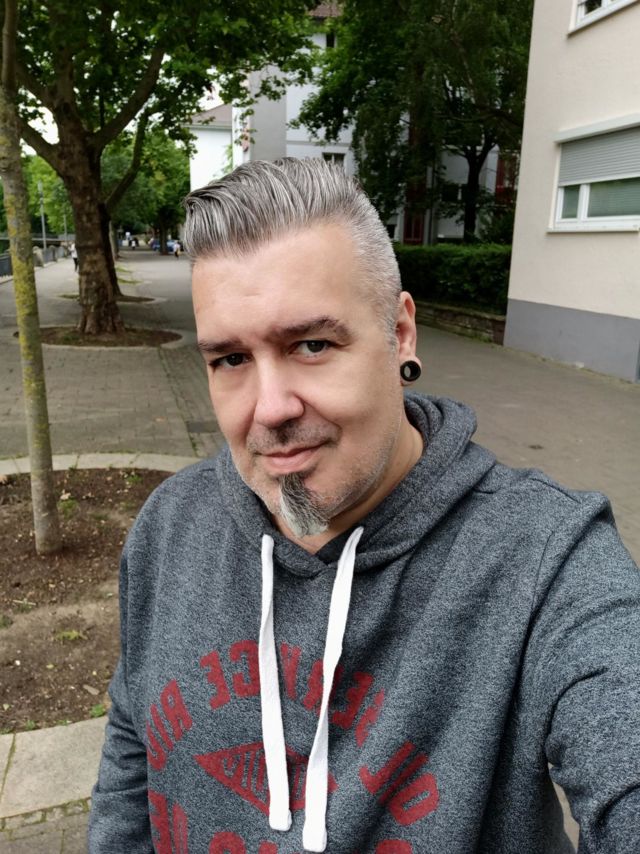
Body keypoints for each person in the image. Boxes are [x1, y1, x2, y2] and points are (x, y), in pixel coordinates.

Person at [89, 159, 640, 853]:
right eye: (230, 359)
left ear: (400, 334)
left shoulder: (545, 561)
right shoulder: (169, 527)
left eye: (312, 345)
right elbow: (131, 754)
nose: (270, 409)